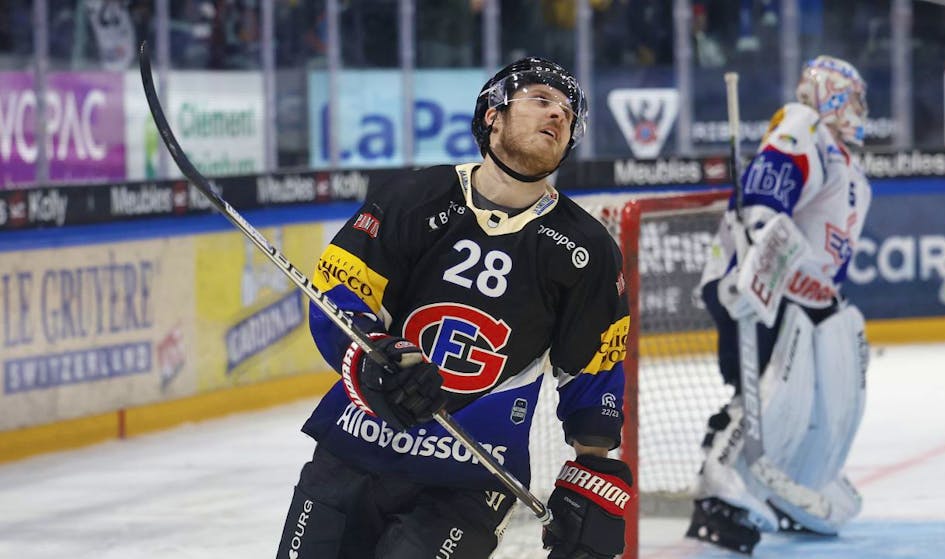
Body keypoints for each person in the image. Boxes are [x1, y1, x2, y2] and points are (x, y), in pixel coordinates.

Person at [276, 57, 633, 559]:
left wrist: (593, 474)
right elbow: (339, 294)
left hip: (471, 479)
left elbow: (594, 372)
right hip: (354, 450)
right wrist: (376, 356)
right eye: (540, 100)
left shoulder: (586, 249)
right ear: (492, 115)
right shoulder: (414, 196)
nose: (558, 114)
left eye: (568, 113)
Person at [687, 55, 872, 554]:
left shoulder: (851, 170)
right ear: (833, 96)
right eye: (854, 100)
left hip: (794, 303)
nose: (860, 110)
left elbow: (827, 256)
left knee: (802, 397)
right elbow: (768, 190)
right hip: (754, 285)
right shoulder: (805, 127)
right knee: (765, 393)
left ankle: (789, 480)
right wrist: (761, 247)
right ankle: (719, 487)